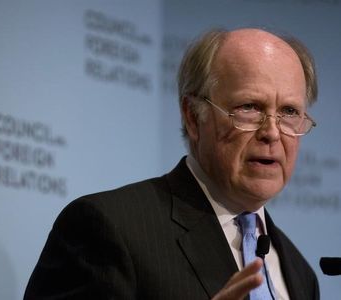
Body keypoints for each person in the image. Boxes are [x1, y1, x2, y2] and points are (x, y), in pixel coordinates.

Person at [24, 28, 319, 299]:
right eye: (249, 107)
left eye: (290, 112)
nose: (271, 132)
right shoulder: (108, 229)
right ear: (193, 116)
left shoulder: (300, 273)